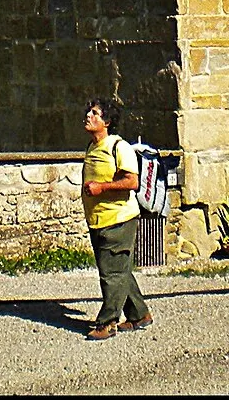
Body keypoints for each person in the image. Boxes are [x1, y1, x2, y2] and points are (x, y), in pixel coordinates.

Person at [80, 98, 151, 339]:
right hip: (99, 219)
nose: (89, 116)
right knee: (118, 269)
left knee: (111, 274)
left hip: (119, 219)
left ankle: (107, 323)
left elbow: (132, 181)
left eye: (95, 114)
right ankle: (140, 314)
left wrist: (102, 187)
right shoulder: (92, 147)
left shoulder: (119, 147)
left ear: (107, 122)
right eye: (89, 112)